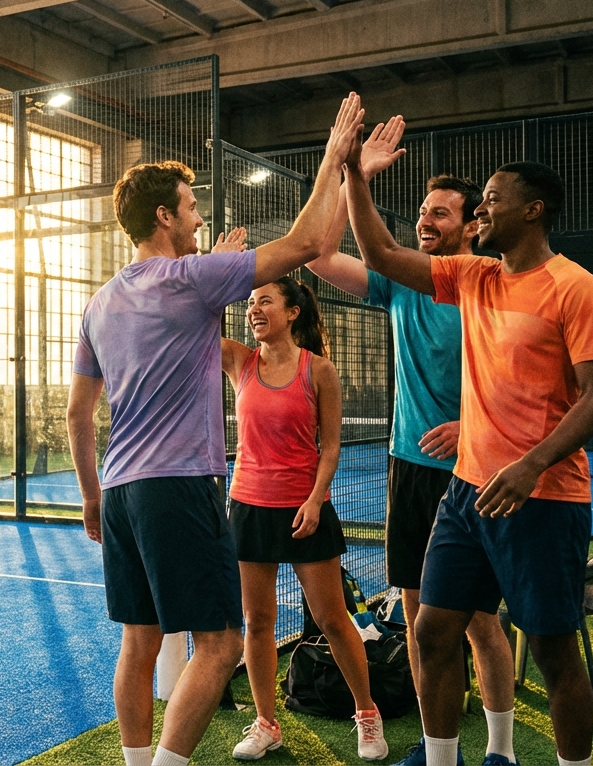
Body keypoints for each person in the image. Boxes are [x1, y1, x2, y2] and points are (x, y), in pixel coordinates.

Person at [66, 93, 365, 766]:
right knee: (222, 644)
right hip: (179, 488)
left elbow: (77, 414)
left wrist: (91, 496)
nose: (202, 219)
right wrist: (332, 160)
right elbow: (312, 242)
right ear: (165, 215)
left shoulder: (101, 301)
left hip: (120, 493)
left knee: (139, 642)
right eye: (193, 207)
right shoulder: (191, 280)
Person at [346, 140, 593, 766]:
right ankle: (443, 760)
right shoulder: (474, 276)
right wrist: (352, 176)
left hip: (544, 499)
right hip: (466, 494)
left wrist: (531, 464)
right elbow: (381, 254)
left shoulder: (576, 289)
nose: (481, 213)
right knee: (433, 630)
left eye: (493, 201)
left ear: (534, 210)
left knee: (552, 652)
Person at [306, 117, 518, 765]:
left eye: (442, 215)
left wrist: (475, 423)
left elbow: (525, 383)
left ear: (472, 223)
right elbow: (318, 255)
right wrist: (353, 175)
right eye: (423, 212)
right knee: (423, 621)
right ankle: (436, 748)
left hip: (474, 470)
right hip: (409, 470)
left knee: (480, 620)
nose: (427, 222)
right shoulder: (401, 281)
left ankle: (502, 751)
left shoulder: (490, 285)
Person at [221, 277, 388, 762]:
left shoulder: (320, 370)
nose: (254, 309)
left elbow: (330, 446)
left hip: (305, 509)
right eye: (250, 303)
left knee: (333, 619)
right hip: (249, 507)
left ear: (292, 312)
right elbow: (197, 313)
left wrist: (316, 500)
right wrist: (218, 266)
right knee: (258, 622)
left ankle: (367, 715)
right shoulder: (240, 361)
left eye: (264, 301)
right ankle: (266, 724)